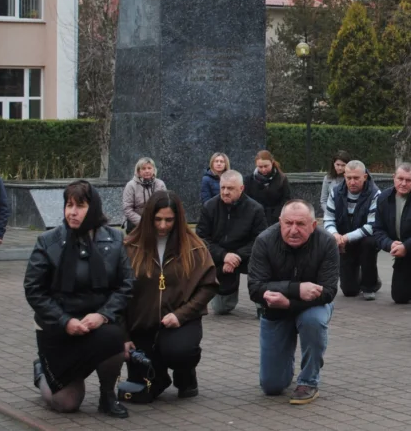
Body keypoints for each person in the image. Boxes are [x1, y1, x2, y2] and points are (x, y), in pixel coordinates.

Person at [24, 181, 134, 418]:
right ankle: (42, 372)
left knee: (114, 336)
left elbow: (126, 286)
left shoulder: (114, 239)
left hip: (95, 324)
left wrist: (103, 315)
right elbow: (34, 290)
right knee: (67, 403)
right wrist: (64, 321)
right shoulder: (49, 241)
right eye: (68, 205)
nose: (72, 212)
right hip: (57, 329)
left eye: (80, 206)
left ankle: (107, 396)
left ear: (93, 208)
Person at [124, 191, 218, 401]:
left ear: (178, 219)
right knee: (143, 393)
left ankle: (186, 376)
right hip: (142, 325)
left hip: (180, 322)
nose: (163, 225)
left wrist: (181, 315)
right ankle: (158, 377)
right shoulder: (130, 247)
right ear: (149, 218)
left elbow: (209, 286)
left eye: (169, 220)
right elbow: (118, 294)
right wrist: (124, 336)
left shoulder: (194, 246)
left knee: (179, 351)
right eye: (157, 219)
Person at [248, 200, 339, 405]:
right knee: (272, 387)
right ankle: (283, 366)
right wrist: (296, 289)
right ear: (280, 222)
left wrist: (288, 303)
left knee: (313, 321)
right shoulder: (264, 241)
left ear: (314, 225)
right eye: (288, 223)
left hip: (312, 307)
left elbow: (329, 292)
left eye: (300, 224)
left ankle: (308, 380)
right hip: (275, 311)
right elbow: (255, 288)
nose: (293, 230)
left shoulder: (326, 242)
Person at [196, 170, 266, 315]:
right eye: (223, 188)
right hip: (220, 257)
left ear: (241, 188)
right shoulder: (209, 207)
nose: (225, 192)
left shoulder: (255, 209)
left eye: (230, 188)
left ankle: (262, 303)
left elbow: (259, 240)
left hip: (246, 256)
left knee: (263, 262)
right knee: (221, 309)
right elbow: (201, 239)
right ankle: (226, 293)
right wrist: (223, 256)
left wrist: (237, 256)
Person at [373, 163, 411, 304]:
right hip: (402, 251)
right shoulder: (384, 198)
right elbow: (377, 230)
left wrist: (406, 246)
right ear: (393, 178)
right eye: (400, 178)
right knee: (400, 297)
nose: (403, 183)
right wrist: (389, 244)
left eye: (408, 180)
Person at [324, 160, 381, 300]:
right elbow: (328, 219)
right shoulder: (335, 192)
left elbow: (372, 225)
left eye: (356, 178)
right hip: (344, 240)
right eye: (349, 178)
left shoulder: (375, 194)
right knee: (349, 291)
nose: (352, 182)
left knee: (369, 243)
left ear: (365, 177)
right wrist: (335, 235)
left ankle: (370, 284)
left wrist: (346, 237)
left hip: (364, 238)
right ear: (344, 176)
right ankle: (361, 277)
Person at [122, 157, 167, 234]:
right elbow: (127, 209)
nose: (147, 171)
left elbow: (165, 205)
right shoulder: (131, 185)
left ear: (154, 170)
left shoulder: (160, 184)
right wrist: (143, 222)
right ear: (138, 171)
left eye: (149, 168)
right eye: (143, 168)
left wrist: (156, 221)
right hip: (136, 222)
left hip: (156, 221)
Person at [244, 150, 292, 222]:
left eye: (266, 166)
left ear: (272, 163)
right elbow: (246, 198)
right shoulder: (249, 180)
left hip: (276, 218)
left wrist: (276, 215)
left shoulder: (281, 178)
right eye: (260, 167)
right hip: (256, 217)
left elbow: (286, 198)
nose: (263, 169)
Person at [319, 151, 351, 217]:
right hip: (330, 215)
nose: (340, 168)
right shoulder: (327, 178)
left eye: (343, 165)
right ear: (334, 164)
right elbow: (323, 200)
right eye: (338, 164)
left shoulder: (351, 178)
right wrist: (330, 212)